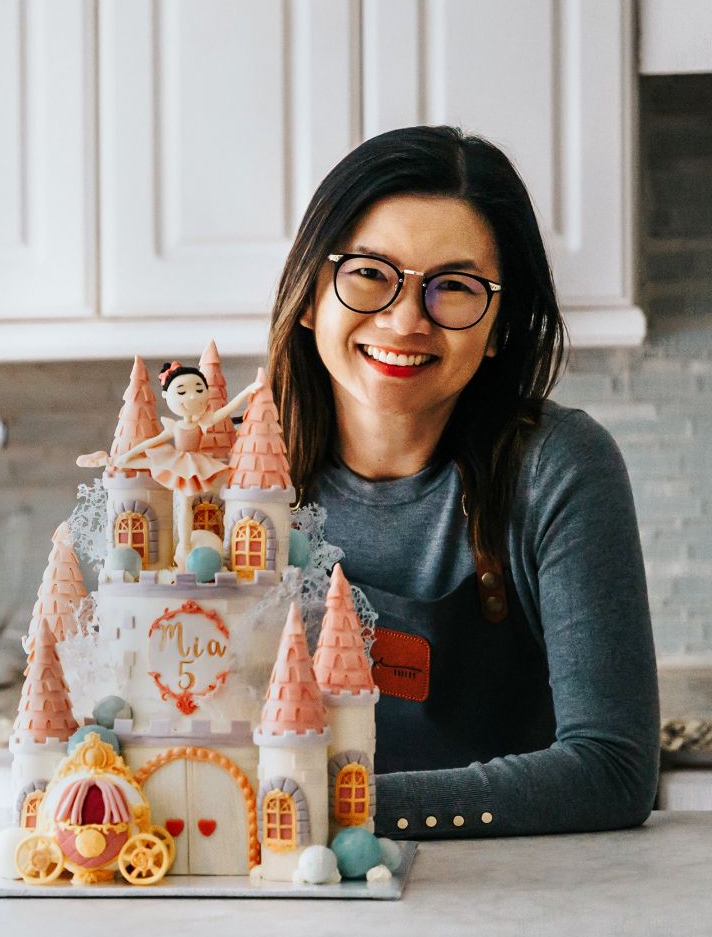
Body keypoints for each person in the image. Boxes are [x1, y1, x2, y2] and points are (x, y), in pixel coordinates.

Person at [267, 125, 659, 837]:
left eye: (454, 287)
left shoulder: (558, 469)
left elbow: (613, 770)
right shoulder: (228, 486)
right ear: (308, 294)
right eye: (368, 273)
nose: (404, 319)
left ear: (500, 324)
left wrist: (328, 813)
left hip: (509, 907)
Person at [77, 363, 262, 565]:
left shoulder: (203, 422)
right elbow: (151, 443)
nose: (192, 397)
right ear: (166, 396)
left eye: (199, 390)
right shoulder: (174, 425)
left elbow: (226, 410)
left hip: (193, 462)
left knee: (186, 504)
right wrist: (129, 453)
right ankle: (110, 460)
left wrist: (246, 390)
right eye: (182, 391)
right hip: (177, 459)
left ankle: (185, 546)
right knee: (147, 464)